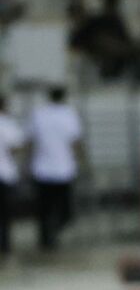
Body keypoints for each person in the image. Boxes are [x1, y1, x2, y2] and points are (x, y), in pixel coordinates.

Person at [27, 86, 84, 251]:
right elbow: (76, 141)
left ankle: (47, 237)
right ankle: (50, 236)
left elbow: (30, 141)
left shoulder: (39, 114)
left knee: (44, 209)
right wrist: (82, 160)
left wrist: (27, 163)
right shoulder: (69, 115)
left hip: (43, 168)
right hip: (63, 169)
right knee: (65, 210)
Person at [0, 95, 27, 256]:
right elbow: (15, 147)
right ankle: (5, 245)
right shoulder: (8, 124)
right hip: (5, 173)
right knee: (5, 213)